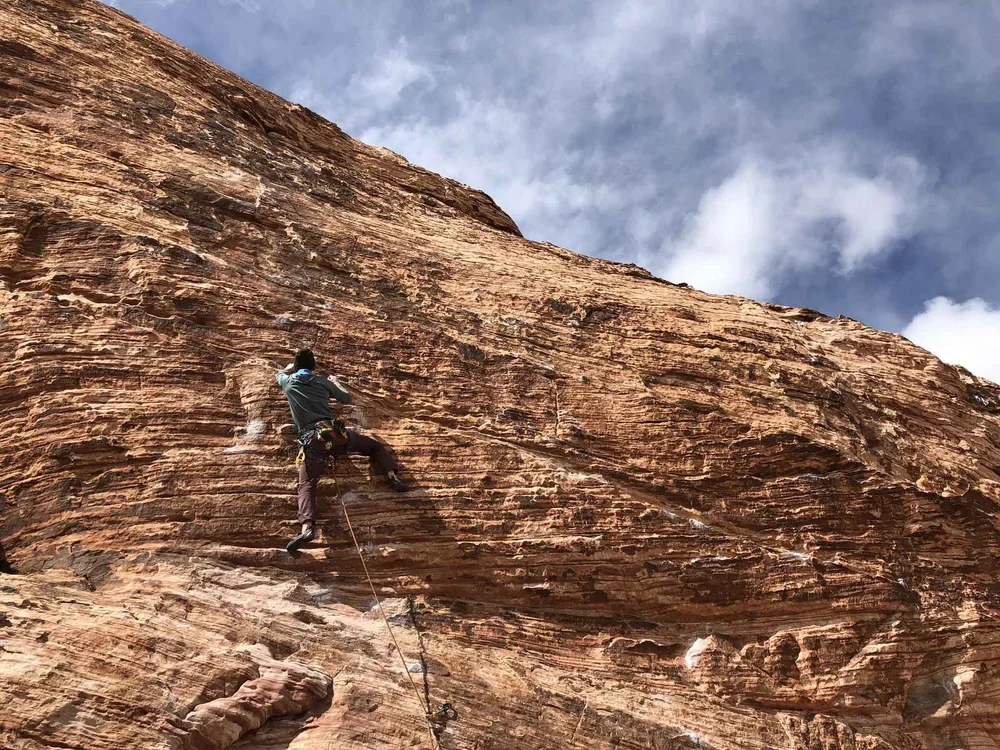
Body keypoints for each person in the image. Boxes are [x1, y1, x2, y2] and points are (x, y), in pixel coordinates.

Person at [276, 348, 407, 553]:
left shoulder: (288, 382)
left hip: (312, 443)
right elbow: (346, 398)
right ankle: (392, 475)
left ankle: (307, 527)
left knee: (307, 485)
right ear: (313, 367)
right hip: (337, 435)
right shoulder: (322, 382)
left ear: (296, 367)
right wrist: (335, 381)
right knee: (374, 446)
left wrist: (290, 368)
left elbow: (280, 374)